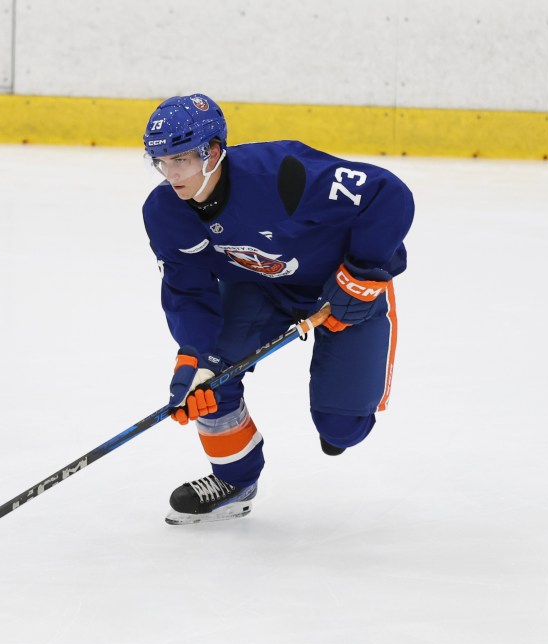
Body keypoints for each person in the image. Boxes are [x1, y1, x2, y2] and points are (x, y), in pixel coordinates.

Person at [142, 94, 414, 525]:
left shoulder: (283, 174)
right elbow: (188, 289)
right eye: (161, 161)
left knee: (341, 429)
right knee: (210, 382)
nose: (171, 175)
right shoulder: (165, 212)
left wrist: (362, 273)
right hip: (258, 288)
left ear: (213, 151)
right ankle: (235, 482)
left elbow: (388, 194)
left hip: (338, 287)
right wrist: (194, 353)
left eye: (181, 160)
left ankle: (342, 419)